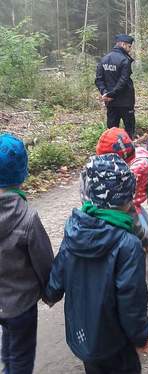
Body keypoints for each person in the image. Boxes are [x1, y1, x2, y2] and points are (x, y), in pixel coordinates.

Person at [45, 154, 148, 374]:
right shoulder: (128, 245)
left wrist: (51, 292)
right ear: (126, 200)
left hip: (81, 334)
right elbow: (132, 299)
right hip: (115, 343)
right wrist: (140, 335)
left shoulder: (74, 229)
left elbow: (60, 266)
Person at [0, 134, 54, 374]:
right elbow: (43, 261)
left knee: (8, 345)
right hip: (21, 304)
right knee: (21, 354)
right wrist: (50, 291)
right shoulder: (27, 218)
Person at [95, 127, 148, 252]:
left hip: (92, 226)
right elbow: (134, 221)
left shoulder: (90, 173)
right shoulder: (120, 189)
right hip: (113, 234)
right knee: (141, 218)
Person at [95, 34, 136, 139]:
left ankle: (112, 152)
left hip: (110, 102)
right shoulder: (124, 60)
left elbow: (99, 79)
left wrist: (105, 93)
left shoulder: (104, 59)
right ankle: (129, 152)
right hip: (125, 101)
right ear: (123, 44)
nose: (130, 49)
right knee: (129, 130)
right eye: (129, 46)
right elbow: (123, 81)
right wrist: (110, 94)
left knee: (112, 131)